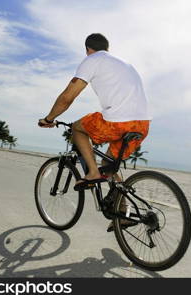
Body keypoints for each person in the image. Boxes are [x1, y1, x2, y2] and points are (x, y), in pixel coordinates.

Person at [38, 33, 151, 230]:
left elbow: (67, 97)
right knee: (109, 164)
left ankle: (92, 172)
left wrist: (49, 119)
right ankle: (122, 213)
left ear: (88, 49)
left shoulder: (92, 59)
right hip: (142, 124)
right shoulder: (124, 63)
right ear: (107, 47)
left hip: (118, 123)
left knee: (78, 128)